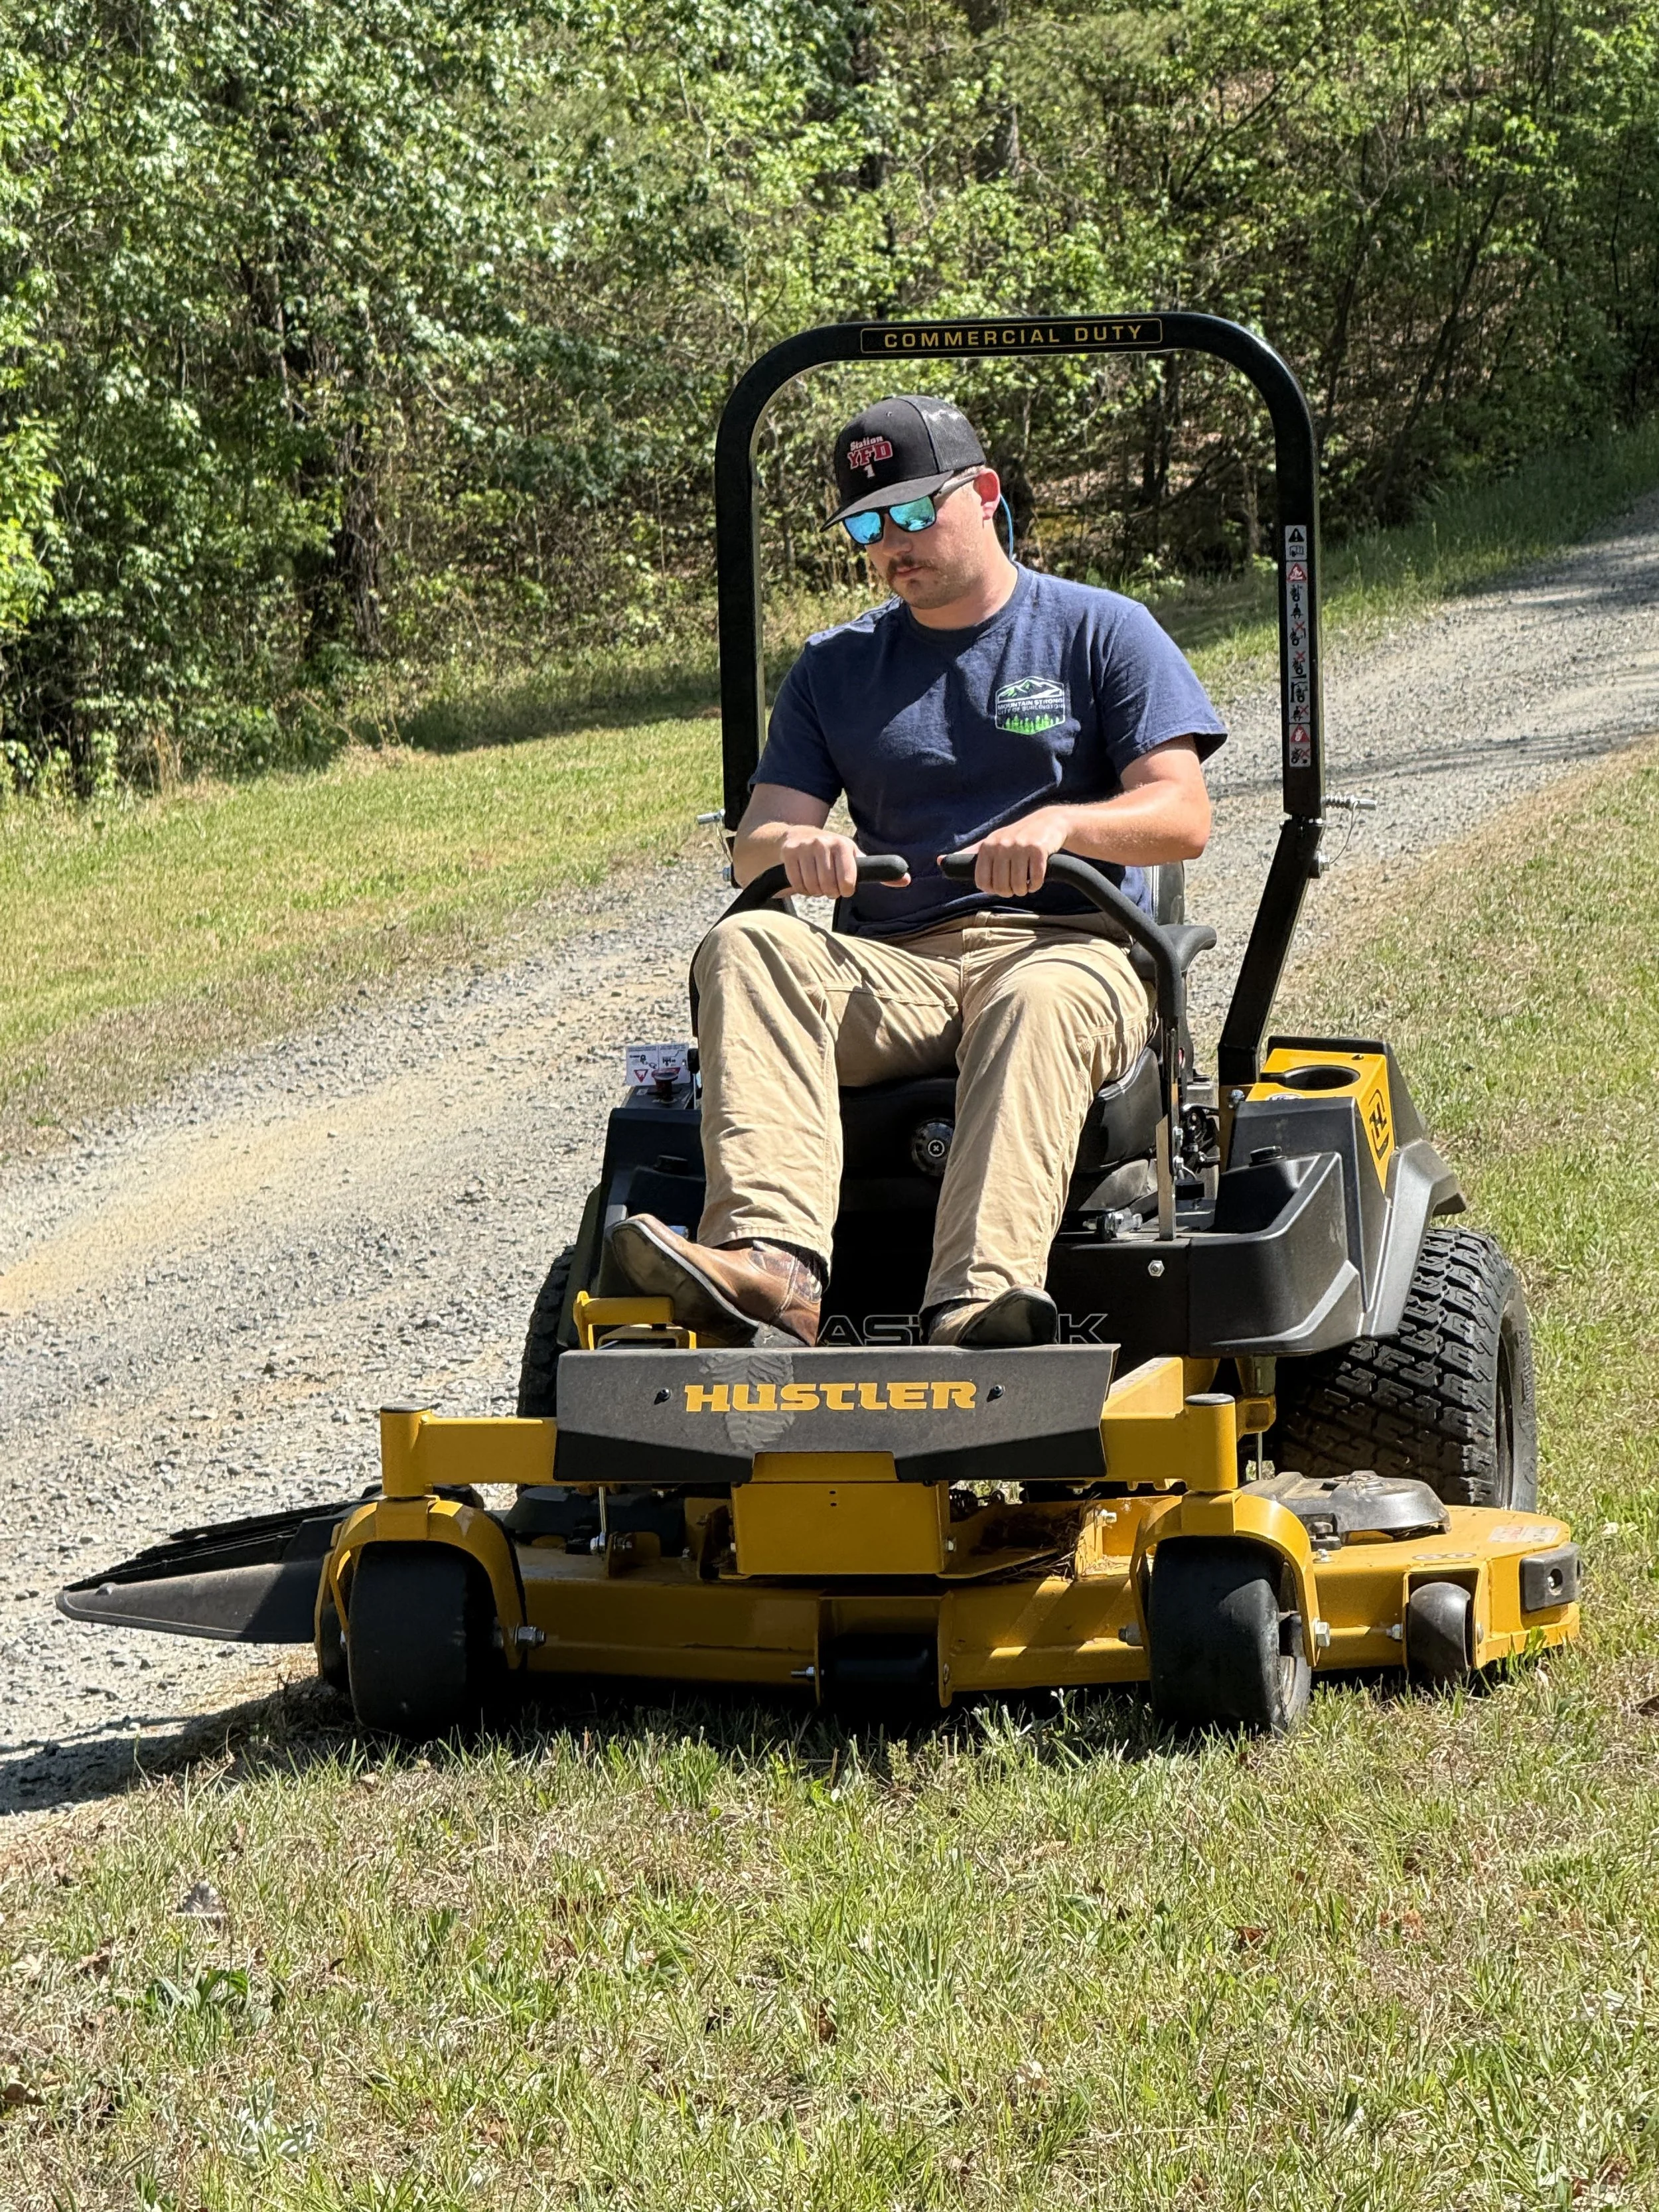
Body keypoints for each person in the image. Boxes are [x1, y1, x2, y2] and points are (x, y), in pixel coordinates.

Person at [610, 393, 1226, 1349]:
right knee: (748, 944)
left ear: (982, 494)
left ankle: (979, 1304)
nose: (891, 542)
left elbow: (1183, 815)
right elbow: (756, 845)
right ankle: (770, 1270)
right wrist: (801, 852)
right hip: (899, 962)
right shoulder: (836, 669)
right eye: (866, 524)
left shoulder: (1101, 630)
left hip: (1069, 946)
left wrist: (1063, 826)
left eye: (910, 512)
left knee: (1038, 1001)